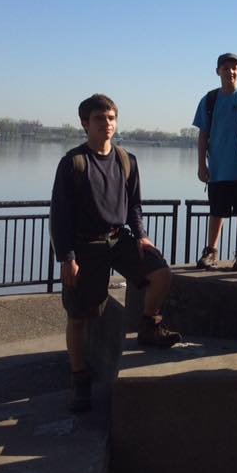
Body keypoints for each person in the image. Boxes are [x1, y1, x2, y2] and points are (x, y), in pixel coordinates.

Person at [50, 94, 180, 413]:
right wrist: (67, 257)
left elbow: (134, 205)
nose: (107, 124)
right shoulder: (73, 163)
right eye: (99, 118)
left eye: (111, 118)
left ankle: (149, 326)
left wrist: (142, 236)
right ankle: (79, 379)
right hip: (85, 245)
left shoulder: (126, 160)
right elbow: (60, 215)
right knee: (79, 316)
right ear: (85, 123)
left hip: (118, 238)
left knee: (161, 274)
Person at [192, 53, 237, 272]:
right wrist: (201, 165)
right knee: (216, 212)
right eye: (225, 68)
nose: (230, 71)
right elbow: (203, 135)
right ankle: (211, 251)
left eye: (234, 68)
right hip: (218, 168)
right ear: (218, 71)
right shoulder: (209, 100)